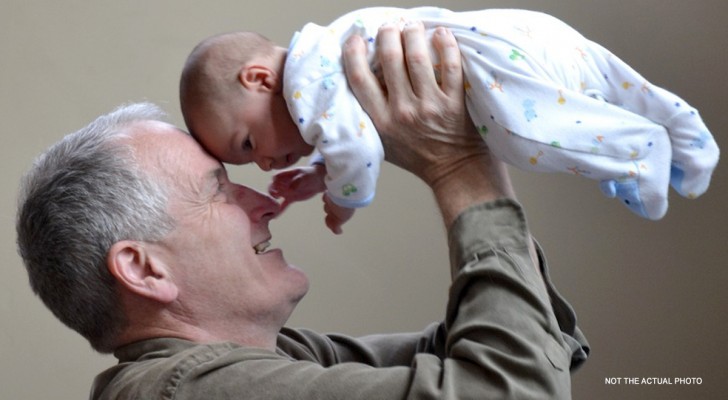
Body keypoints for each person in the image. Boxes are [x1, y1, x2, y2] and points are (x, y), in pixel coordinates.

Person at [17, 24, 588, 399]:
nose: (266, 202)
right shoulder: (196, 389)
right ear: (145, 269)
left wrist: (451, 132)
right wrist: (459, 166)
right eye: (219, 189)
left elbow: (537, 340)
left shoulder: (276, 357)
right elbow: (520, 385)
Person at [180, 7, 719, 234]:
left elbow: (361, 155)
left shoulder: (307, 80)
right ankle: (683, 139)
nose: (265, 162)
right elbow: (349, 132)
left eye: (247, 144)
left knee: (524, 140)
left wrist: (343, 199)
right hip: (516, 34)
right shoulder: (321, 56)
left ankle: (637, 152)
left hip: (491, 70)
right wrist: (319, 171)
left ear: (259, 79)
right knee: (611, 85)